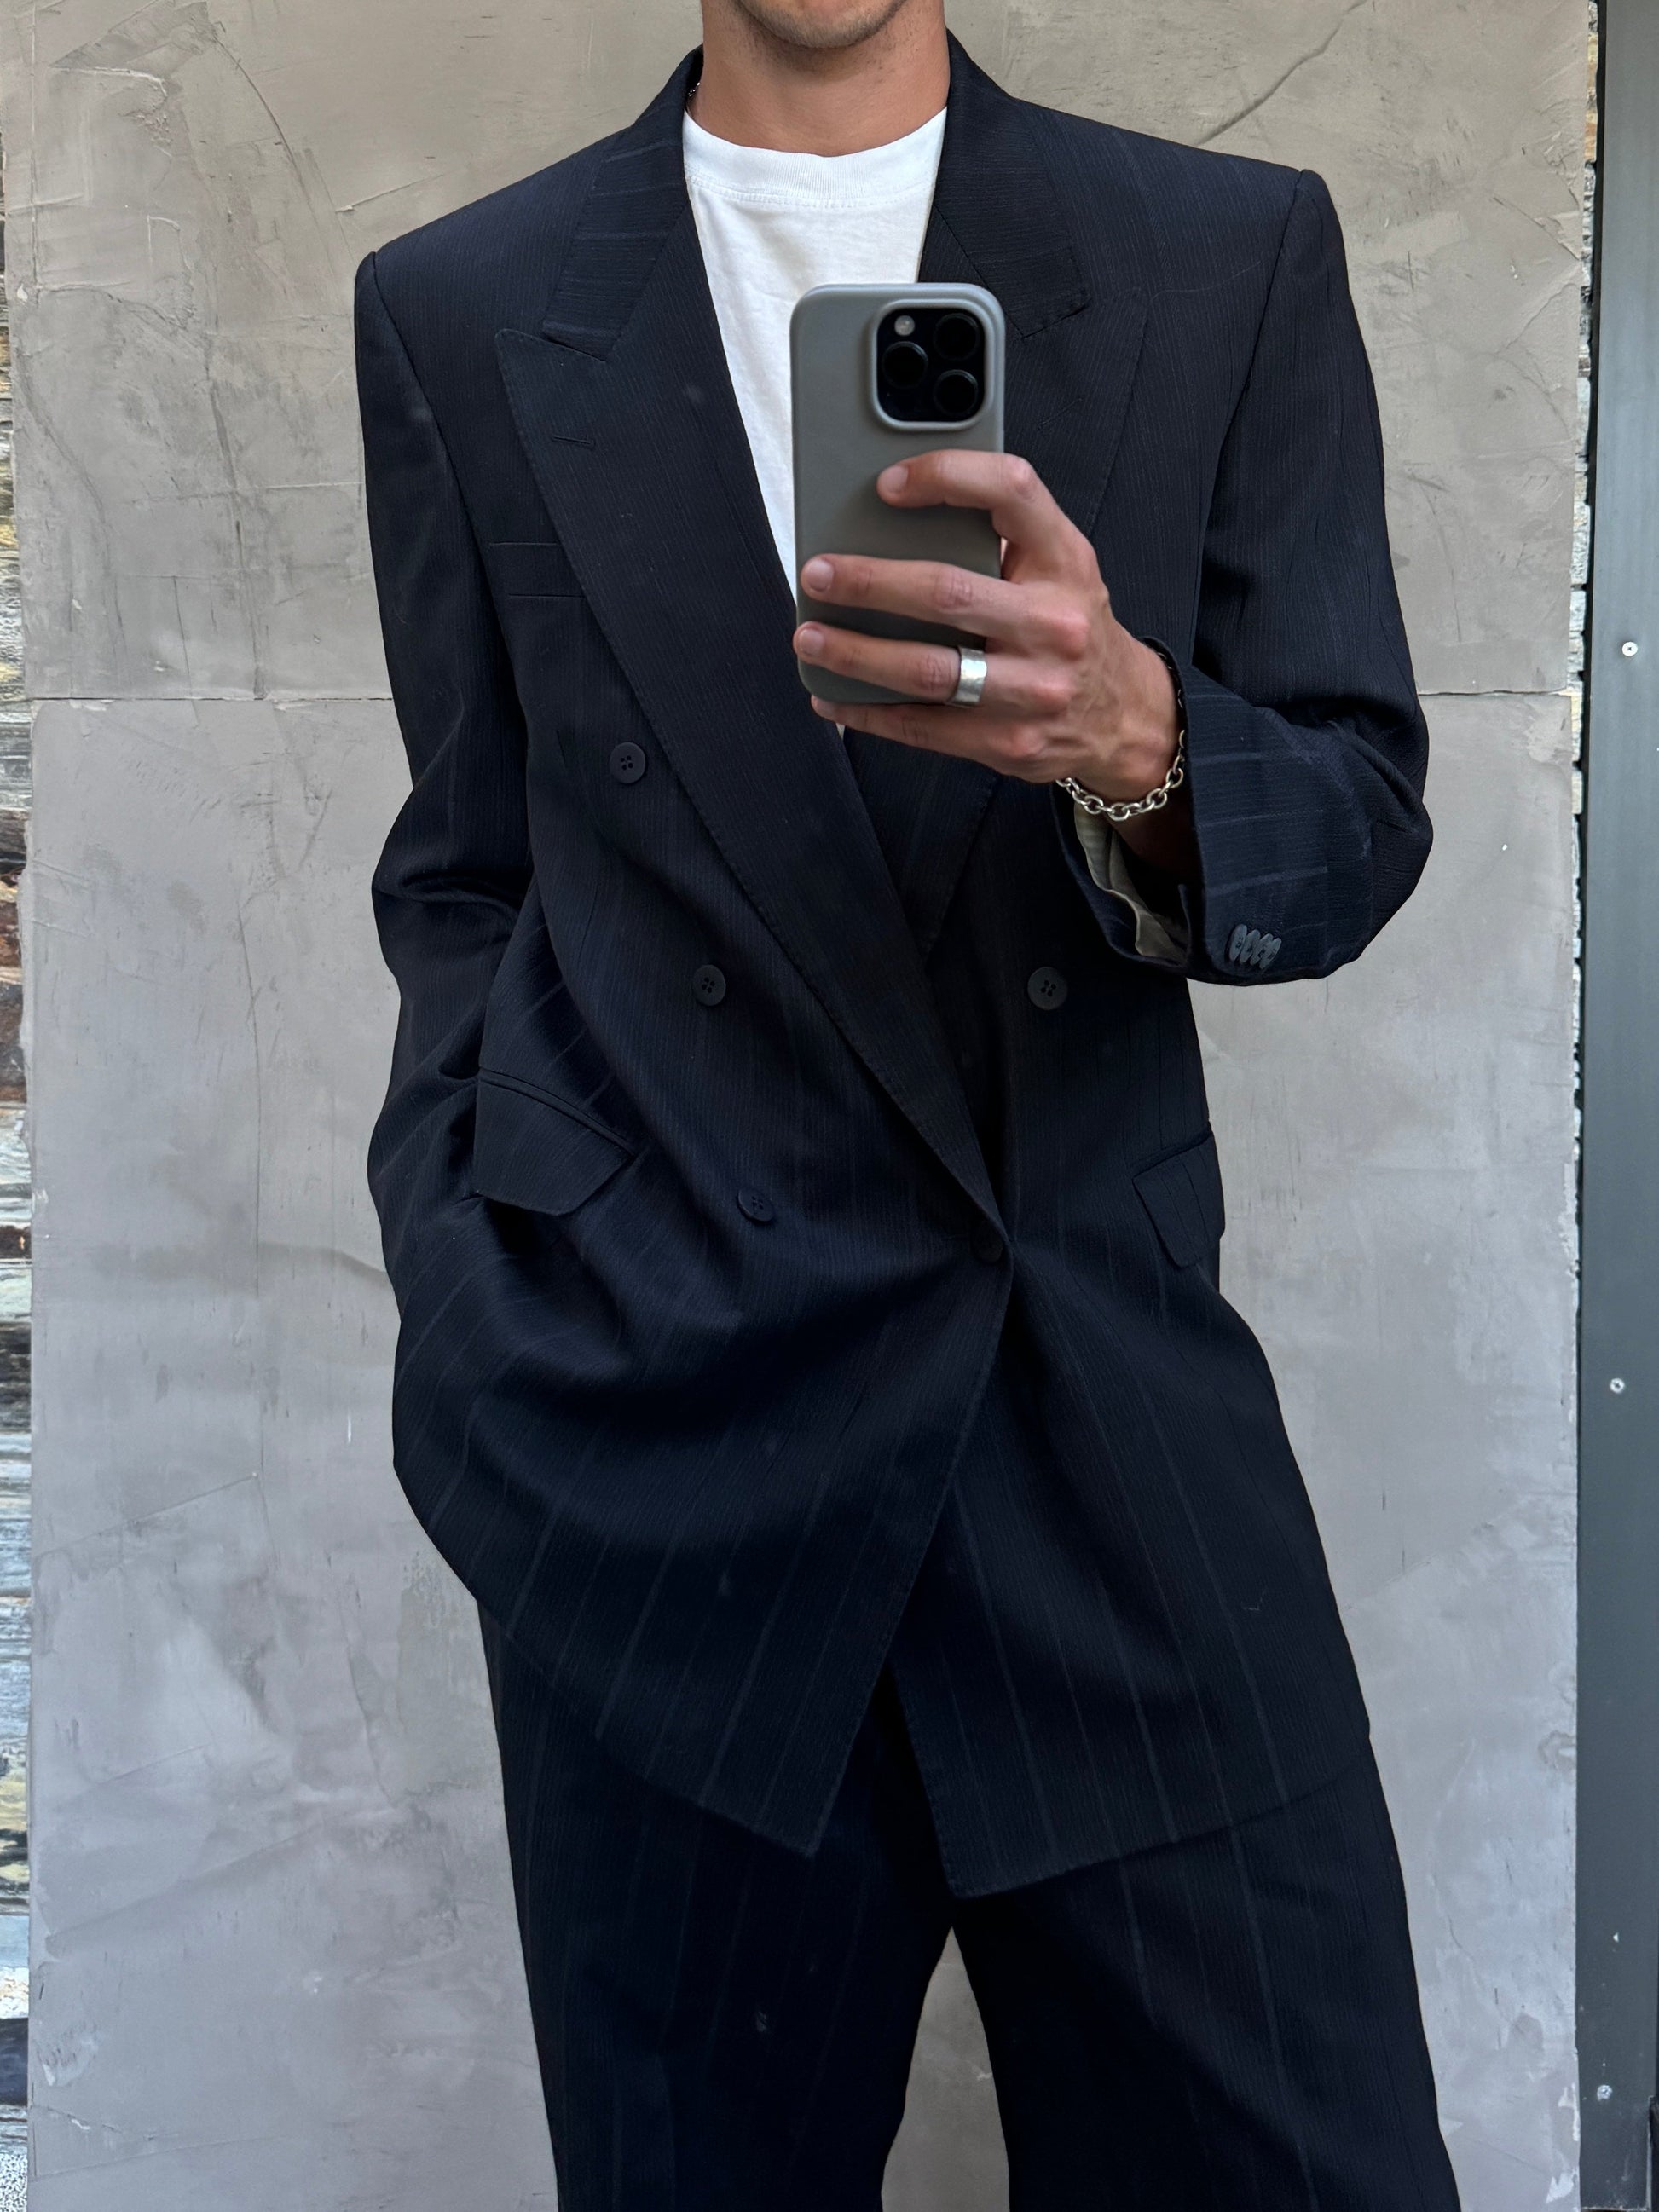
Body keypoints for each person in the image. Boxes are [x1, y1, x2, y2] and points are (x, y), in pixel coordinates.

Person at [353, 0, 1462, 2203]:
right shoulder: (462, 307)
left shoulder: (1221, 252)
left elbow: (1353, 816)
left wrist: (1138, 738)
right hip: (661, 1456)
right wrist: (478, 1298)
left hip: (1099, 1425)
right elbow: (468, 871)